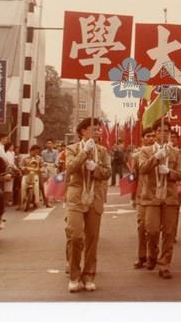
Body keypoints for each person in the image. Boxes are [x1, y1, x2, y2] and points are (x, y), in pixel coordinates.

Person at [65, 117, 112, 292]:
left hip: (95, 197)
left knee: (92, 238)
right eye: (94, 129)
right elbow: (70, 168)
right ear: (83, 131)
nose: (98, 132)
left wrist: (96, 169)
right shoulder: (72, 148)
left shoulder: (103, 150)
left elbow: (108, 172)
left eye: (99, 129)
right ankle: (74, 275)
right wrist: (84, 152)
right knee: (76, 235)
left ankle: (89, 274)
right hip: (76, 196)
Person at [139, 120, 181, 279]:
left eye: (166, 131)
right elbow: (142, 169)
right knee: (151, 229)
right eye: (160, 131)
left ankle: (165, 264)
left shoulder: (175, 152)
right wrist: (156, 158)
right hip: (152, 197)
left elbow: (180, 174)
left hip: (170, 196)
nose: (163, 134)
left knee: (169, 232)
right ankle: (152, 254)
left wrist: (169, 172)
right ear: (155, 133)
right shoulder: (145, 151)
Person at [132, 129, 154, 269]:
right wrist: (133, 196)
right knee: (141, 226)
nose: (151, 139)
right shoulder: (137, 156)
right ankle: (141, 256)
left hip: (155, 195)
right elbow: (134, 177)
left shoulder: (160, 153)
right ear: (142, 139)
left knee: (153, 228)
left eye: (153, 136)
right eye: (148, 136)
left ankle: (152, 255)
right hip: (141, 194)